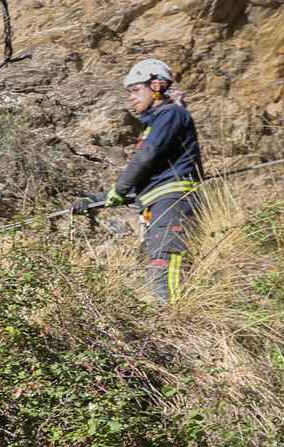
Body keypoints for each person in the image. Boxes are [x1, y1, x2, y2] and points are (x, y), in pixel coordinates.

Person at [75, 58, 204, 303]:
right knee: (156, 268)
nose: (131, 98)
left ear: (156, 86)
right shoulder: (160, 122)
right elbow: (143, 180)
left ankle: (175, 327)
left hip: (174, 203)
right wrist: (92, 201)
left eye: (135, 90)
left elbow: (146, 157)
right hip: (160, 203)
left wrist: (121, 188)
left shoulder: (171, 114)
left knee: (165, 266)